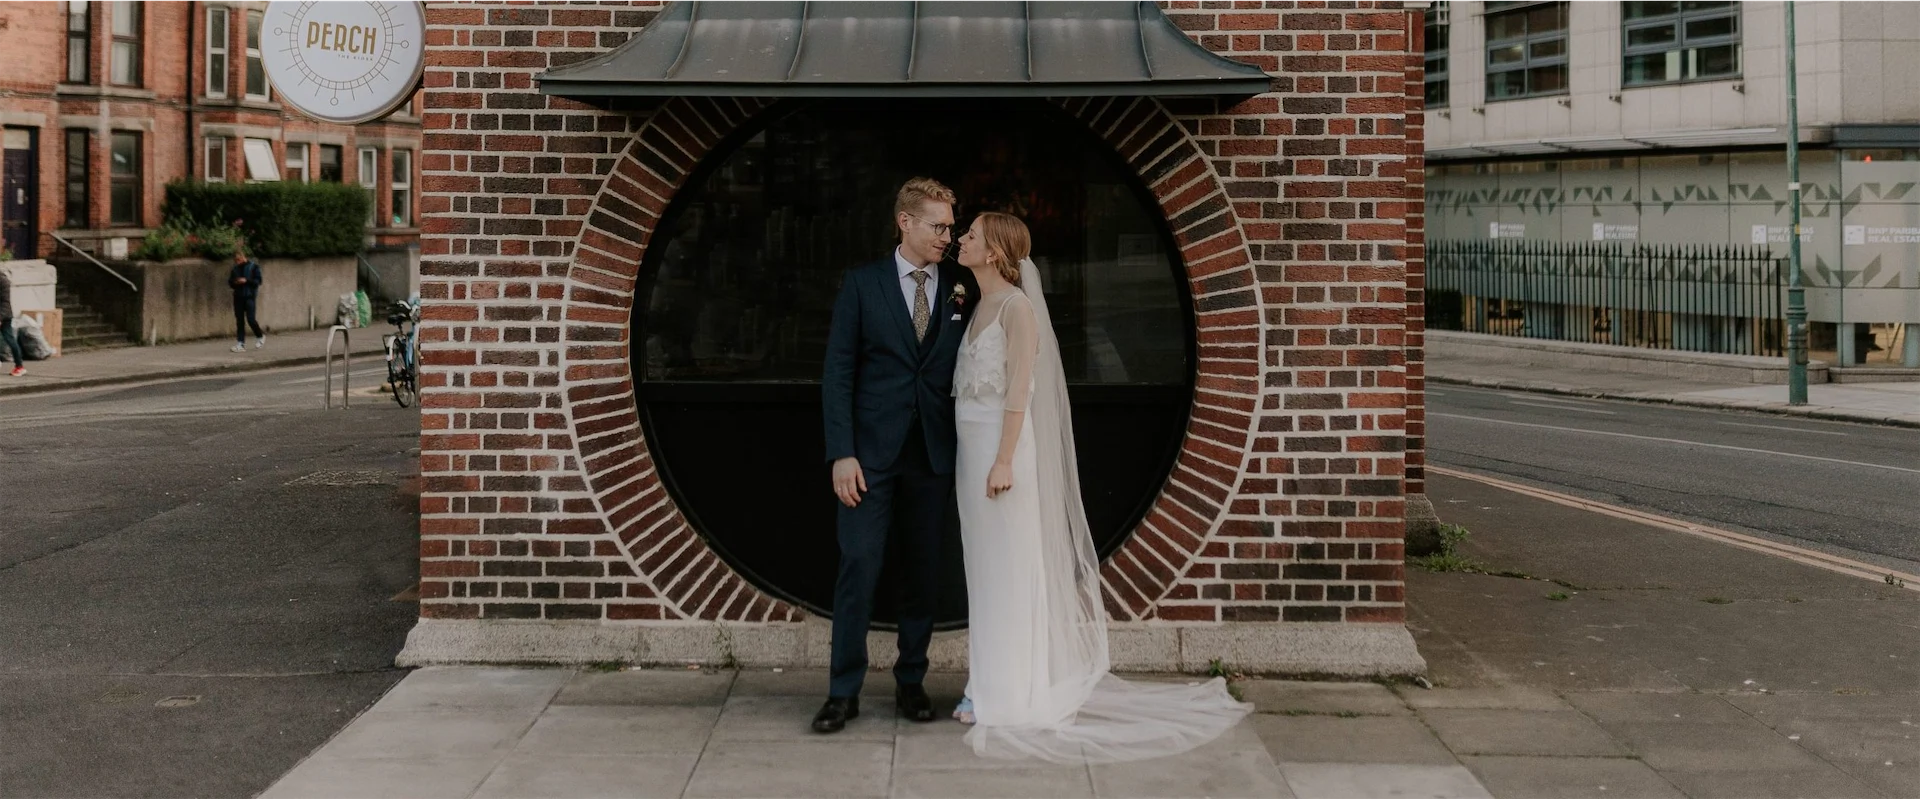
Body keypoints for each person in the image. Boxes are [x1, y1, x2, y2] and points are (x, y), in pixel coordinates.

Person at [948, 212, 1250, 763]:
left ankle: (1009, 691)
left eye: (970, 234)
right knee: (984, 572)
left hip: (1001, 455)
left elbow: (1018, 390)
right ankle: (987, 678)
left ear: (994, 251)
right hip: (971, 457)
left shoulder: (1017, 310)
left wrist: (1004, 460)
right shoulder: (972, 305)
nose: (961, 239)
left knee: (1012, 570)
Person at [814, 177, 973, 734]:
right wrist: (842, 453)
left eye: (952, 227)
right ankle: (842, 691)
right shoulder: (862, 285)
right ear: (904, 222)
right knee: (858, 565)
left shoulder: (960, 285)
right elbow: (838, 375)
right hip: (869, 459)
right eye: (939, 226)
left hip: (934, 455)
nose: (947, 237)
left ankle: (911, 681)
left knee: (922, 572)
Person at [228, 249, 265, 353]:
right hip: (238, 297)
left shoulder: (253, 267)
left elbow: (258, 281)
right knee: (240, 321)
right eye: (236, 260)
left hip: (249, 297)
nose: (237, 262)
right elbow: (230, 282)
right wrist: (236, 282)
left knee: (251, 319)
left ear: (243, 257)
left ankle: (260, 336)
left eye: (239, 260)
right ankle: (241, 343)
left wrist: (246, 280)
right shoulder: (235, 269)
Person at [0, 268, 24, 376]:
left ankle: (19, 366)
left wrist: (0, 318)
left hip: (4, 316)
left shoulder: (3, 281)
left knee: (10, 339)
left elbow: (5, 302)